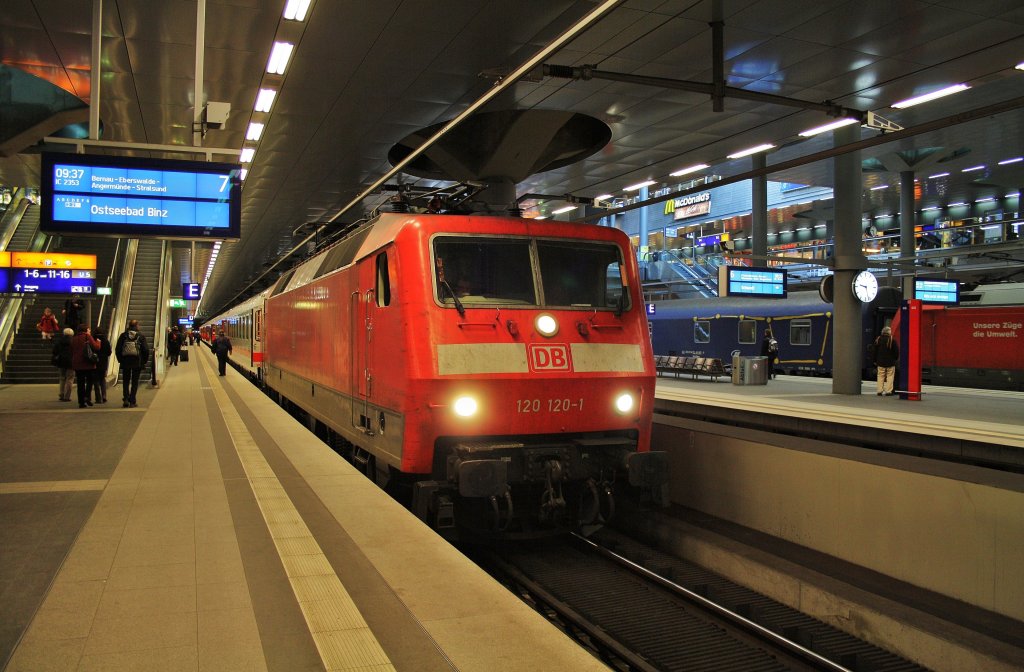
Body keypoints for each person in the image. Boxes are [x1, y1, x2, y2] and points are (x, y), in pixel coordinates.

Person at [115, 320, 149, 408]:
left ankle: (126, 399)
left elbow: (118, 349)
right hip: (137, 362)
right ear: (137, 326)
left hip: (125, 361)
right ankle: (132, 401)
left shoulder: (123, 335)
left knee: (126, 381)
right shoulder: (140, 336)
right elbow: (146, 350)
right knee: (135, 382)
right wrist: (144, 361)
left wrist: (120, 360)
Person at [70, 324, 101, 408]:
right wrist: (98, 342)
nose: (90, 330)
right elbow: (96, 347)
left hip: (77, 364)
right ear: (85, 330)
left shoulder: (74, 338)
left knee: (80, 383)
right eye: (88, 329)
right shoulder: (87, 337)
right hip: (87, 363)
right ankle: (87, 396)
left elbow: (71, 350)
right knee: (89, 381)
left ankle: (81, 402)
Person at [872, 325, 900, 396]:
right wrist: (895, 359)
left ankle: (879, 391)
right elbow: (896, 351)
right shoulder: (892, 340)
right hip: (890, 363)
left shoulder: (878, 339)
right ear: (889, 332)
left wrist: (875, 360)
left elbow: (874, 351)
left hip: (880, 362)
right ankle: (888, 391)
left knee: (880, 376)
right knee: (890, 376)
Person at [90, 326, 112, 404]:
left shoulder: (92, 340)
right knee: (102, 379)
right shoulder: (105, 341)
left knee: (95, 380)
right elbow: (109, 352)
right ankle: (104, 396)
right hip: (103, 362)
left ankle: (98, 398)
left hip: (94, 362)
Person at [52, 327, 75, 402]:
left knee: (62, 378)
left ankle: (61, 394)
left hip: (61, 361)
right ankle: (67, 396)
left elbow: (54, 351)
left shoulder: (59, 341)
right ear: (72, 334)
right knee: (70, 378)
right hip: (71, 361)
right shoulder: (73, 341)